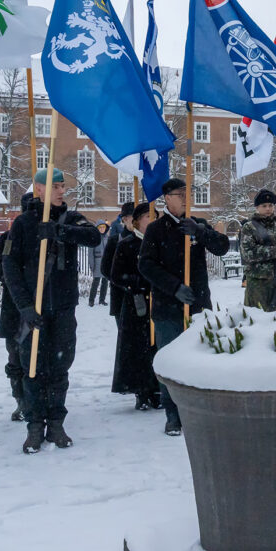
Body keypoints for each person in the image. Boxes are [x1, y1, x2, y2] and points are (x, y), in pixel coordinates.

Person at [2, 168, 100, 453]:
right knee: (32, 369)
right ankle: (34, 426)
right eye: (55, 186)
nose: (61, 191)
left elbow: (93, 237)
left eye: (62, 186)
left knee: (60, 368)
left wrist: (60, 231)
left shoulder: (70, 219)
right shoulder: (21, 224)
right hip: (33, 311)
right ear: (39, 189)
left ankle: (56, 423)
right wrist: (24, 306)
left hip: (63, 309)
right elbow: (10, 269)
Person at [138, 177, 230, 436]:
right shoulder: (156, 229)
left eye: (187, 193)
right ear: (167, 198)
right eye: (179, 194)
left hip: (198, 306)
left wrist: (201, 232)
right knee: (171, 361)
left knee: (199, 360)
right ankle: (173, 413)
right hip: (169, 307)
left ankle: (197, 410)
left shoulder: (197, 224)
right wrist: (174, 287)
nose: (185, 198)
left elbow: (222, 247)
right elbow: (146, 265)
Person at [111, 202, 160, 411]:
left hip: (158, 301)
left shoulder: (160, 243)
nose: (153, 221)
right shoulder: (126, 244)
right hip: (136, 304)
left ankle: (157, 389)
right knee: (138, 349)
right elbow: (115, 274)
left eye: (155, 217)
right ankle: (141, 389)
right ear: (137, 221)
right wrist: (135, 283)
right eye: (149, 217)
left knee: (156, 345)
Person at [0, 191, 33, 422]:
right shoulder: (8, 238)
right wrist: (17, 280)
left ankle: (38, 399)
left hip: (40, 308)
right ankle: (21, 400)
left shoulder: (46, 237)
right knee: (16, 358)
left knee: (39, 357)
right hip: (14, 308)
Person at [239, 188, 276, 311]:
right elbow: (248, 253)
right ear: (257, 207)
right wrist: (275, 251)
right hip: (257, 280)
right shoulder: (249, 227)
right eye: (264, 206)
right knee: (256, 317)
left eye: (271, 205)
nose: (268, 209)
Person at [102, 202, 135, 327]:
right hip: (122, 297)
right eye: (133, 216)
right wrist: (124, 281)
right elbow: (105, 269)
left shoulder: (145, 239)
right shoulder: (115, 240)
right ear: (125, 219)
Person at [87, 219, 110, 307]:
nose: (102, 229)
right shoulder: (94, 238)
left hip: (105, 263)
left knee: (105, 282)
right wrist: (92, 266)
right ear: (97, 228)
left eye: (103, 227)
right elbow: (90, 254)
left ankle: (102, 300)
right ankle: (91, 300)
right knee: (95, 282)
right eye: (100, 227)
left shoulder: (107, 238)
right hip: (97, 263)